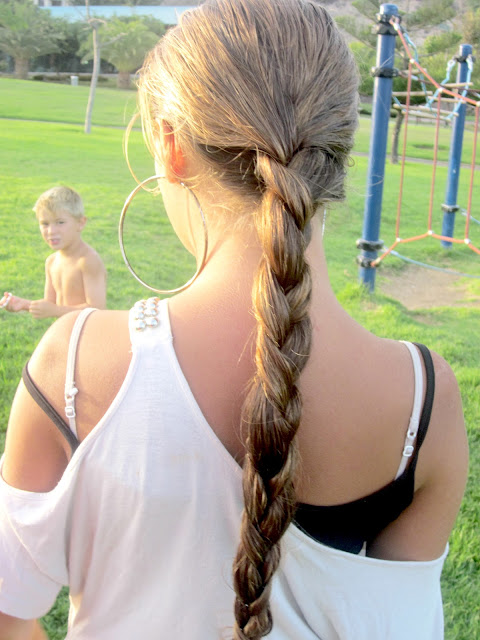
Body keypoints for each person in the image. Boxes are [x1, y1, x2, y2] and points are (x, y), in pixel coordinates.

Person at [0, 1, 468, 639]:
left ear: (171, 146)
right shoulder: (423, 399)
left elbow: (10, 615)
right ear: (338, 147)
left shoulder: (75, 364)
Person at [1, 185, 106, 319]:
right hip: (64, 329)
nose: (51, 231)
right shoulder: (51, 262)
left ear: (80, 223)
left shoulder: (87, 261)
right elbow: (50, 305)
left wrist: (55, 310)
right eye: (45, 224)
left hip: (87, 331)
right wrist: (24, 304)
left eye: (60, 222)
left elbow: (97, 310)